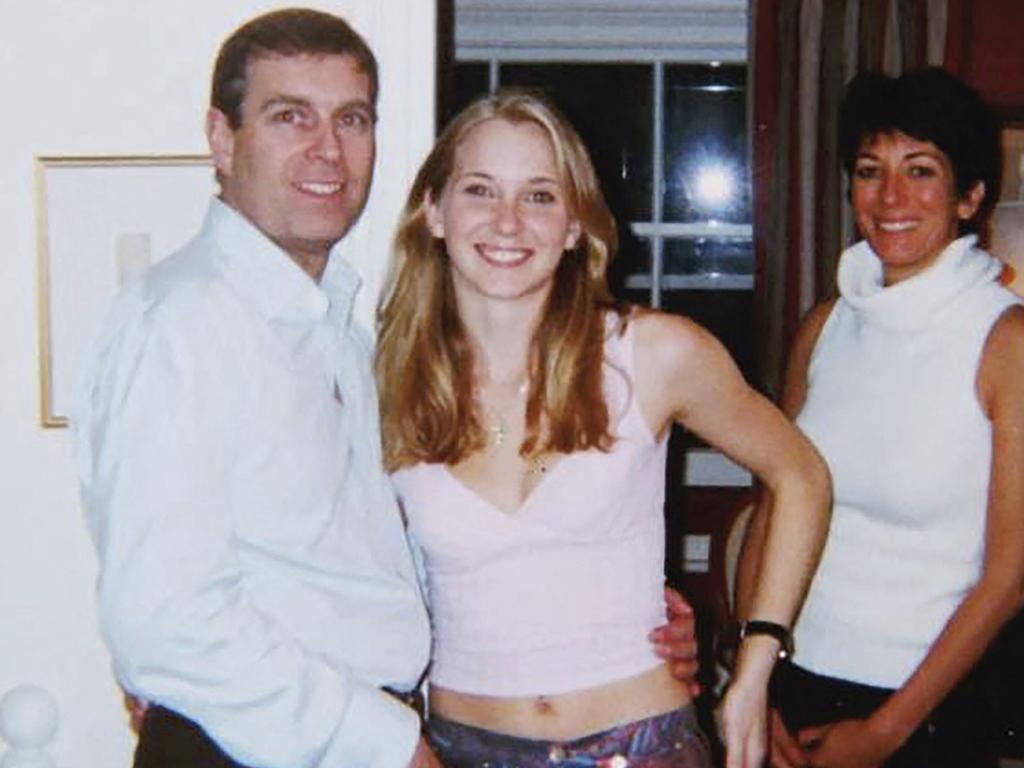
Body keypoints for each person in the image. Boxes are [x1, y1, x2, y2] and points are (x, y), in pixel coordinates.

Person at [73, 10, 700, 768]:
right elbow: (165, 621)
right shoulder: (181, 321)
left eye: (352, 119)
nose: (327, 150)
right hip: (262, 746)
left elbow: (375, 561)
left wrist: (596, 609)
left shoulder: (349, 332)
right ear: (221, 136)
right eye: (289, 116)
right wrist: (386, 741)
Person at [376, 89, 832, 768]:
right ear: (434, 212)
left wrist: (755, 663)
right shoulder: (384, 379)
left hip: (642, 747)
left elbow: (801, 475)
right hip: (459, 749)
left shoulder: (652, 354)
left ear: (572, 227)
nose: (508, 222)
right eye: (480, 190)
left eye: (539, 196)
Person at [736, 68, 1024, 768]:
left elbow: (1011, 573)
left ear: (970, 197)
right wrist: (756, 677)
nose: (891, 197)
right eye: (870, 171)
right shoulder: (826, 326)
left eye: (920, 170)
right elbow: (772, 510)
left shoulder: (1006, 343)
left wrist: (885, 733)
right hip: (792, 688)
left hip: (929, 709)